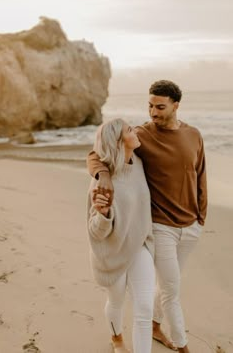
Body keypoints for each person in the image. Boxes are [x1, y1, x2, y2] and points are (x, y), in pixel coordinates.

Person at [87, 80, 207, 353]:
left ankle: (152, 329)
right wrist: (102, 176)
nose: (152, 113)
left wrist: (202, 215)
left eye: (160, 107)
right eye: (150, 106)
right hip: (140, 237)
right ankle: (130, 339)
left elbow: (200, 173)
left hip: (170, 233)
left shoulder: (191, 136)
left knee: (155, 296)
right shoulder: (143, 136)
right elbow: (98, 151)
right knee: (142, 296)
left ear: (176, 105)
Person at [86, 118, 155, 353]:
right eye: (128, 130)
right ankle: (116, 339)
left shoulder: (139, 162)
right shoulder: (102, 183)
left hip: (139, 246)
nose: (135, 131)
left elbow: (92, 156)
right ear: (118, 141)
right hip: (112, 252)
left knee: (145, 308)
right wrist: (103, 214)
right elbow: (95, 232)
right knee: (116, 302)